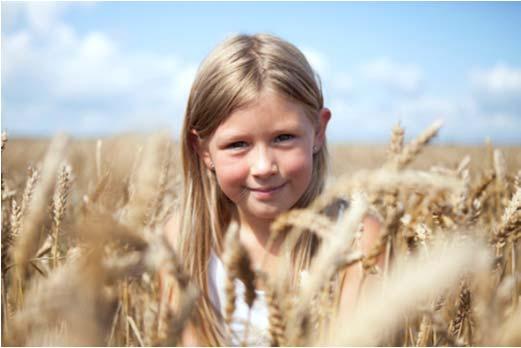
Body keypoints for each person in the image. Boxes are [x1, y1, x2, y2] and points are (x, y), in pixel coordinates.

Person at [162, 32, 382, 346]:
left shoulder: (358, 240)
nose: (264, 166)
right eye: (238, 144)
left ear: (318, 131)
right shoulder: (183, 239)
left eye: (283, 138)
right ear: (203, 150)